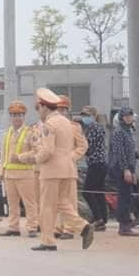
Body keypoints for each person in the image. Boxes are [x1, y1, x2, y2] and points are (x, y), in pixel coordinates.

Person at [30, 88, 93, 251]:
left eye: (39, 108)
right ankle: (83, 226)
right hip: (67, 169)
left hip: (51, 171)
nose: (39, 112)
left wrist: (36, 159)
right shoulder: (67, 123)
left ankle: (48, 240)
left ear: (44, 106)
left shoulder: (49, 124)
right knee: (62, 203)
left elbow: (48, 151)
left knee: (47, 206)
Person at [0, 101, 39, 238]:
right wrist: (1, 171)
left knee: (29, 203)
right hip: (10, 175)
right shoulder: (7, 133)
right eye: (14, 115)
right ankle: (13, 227)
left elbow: (36, 152)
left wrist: (20, 157)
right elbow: (4, 153)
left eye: (20, 115)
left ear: (24, 116)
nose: (17, 118)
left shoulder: (30, 133)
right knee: (12, 204)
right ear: (10, 117)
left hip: (25, 174)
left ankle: (32, 227)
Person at [55, 95, 88, 240]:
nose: (61, 112)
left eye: (64, 110)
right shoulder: (51, 127)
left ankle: (69, 229)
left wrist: (70, 157)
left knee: (69, 200)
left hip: (68, 169)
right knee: (56, 200)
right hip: (54, 170)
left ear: (68, 111)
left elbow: (82, 146)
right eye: (58, 109)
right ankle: (58, 227)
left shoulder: (74, 127)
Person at [108, 106, 139, 237]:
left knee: (128, 195)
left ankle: (127, 223)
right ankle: (124, 226)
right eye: (126, 116)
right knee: (124, 195)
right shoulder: (119, 132)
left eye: (130, 115)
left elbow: (130, 151)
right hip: (121, 167)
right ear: (121, 117)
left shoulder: (128, 131)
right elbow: (119, 153)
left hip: (128, 167)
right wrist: (125, 169)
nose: (129, 118)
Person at [80, 106, 108, 231]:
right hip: (100, 163)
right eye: (83, 115)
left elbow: (88, 147)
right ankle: (102, 218)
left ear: (93, 116)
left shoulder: (93, 128)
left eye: (87, 115)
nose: (84, 118)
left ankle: (98, 218)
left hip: (96, 163)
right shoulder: (96, 127)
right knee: (98, 192)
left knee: (88, 192)